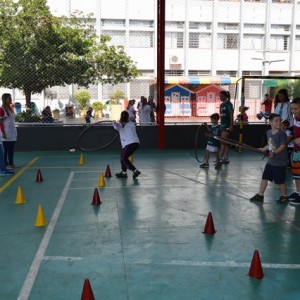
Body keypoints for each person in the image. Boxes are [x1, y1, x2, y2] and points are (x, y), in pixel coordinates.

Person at [250, 113, 289, 204]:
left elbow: (282, 146)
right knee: (265, 177)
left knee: (280, 181)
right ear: (270, 122)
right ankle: (260, 195)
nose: (279, 122)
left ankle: (284, 196)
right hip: (271, 161)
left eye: (280, 120)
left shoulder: (282, 134)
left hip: (280, 162)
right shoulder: (268, 133)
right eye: (276, 121)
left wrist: (274, 153)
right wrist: (262, 149)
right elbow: (270, 144)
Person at [113, 110, 141, 179]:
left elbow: (116, 127)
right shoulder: (131, 123)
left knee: (123, 158)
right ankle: (124, 172)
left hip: (129, 143)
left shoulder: (121, 124)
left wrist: (114, 123)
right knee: (122, 157)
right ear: (128, 116)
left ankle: (135, 170)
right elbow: (120, 126)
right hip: (136, 143)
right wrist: (117, 123)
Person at [288, 97, 300, 205]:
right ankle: (298, 192)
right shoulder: (295, 118)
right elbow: (294, 130)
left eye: (296, 109)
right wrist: (290, 136)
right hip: (296, 150)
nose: (294, 111)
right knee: (296, 172)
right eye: (292, 109)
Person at [0, 93, 17, 170]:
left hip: (12, 131)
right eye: (9, 98)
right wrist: (3, 133)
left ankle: (11, 163)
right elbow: (0, 122)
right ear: (5, 99)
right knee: (6, 149)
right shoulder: (2, 109)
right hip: (6, 132)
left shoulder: (10, 108)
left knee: (11, 148)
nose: (11, 100)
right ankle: (5, 164)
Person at [219, 90, 234, 164]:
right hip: (222, 125)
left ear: (226, 96)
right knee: (226, 142)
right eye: (220, 96)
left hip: (227, 125)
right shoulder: (221, 105)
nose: (220, 97)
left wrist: (231, 125)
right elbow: (221, 116)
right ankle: (225, 157)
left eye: (221, 96)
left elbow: (231, 115)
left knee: (223, 141)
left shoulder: (229, 104)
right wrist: (220, 125)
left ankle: (220, 157)